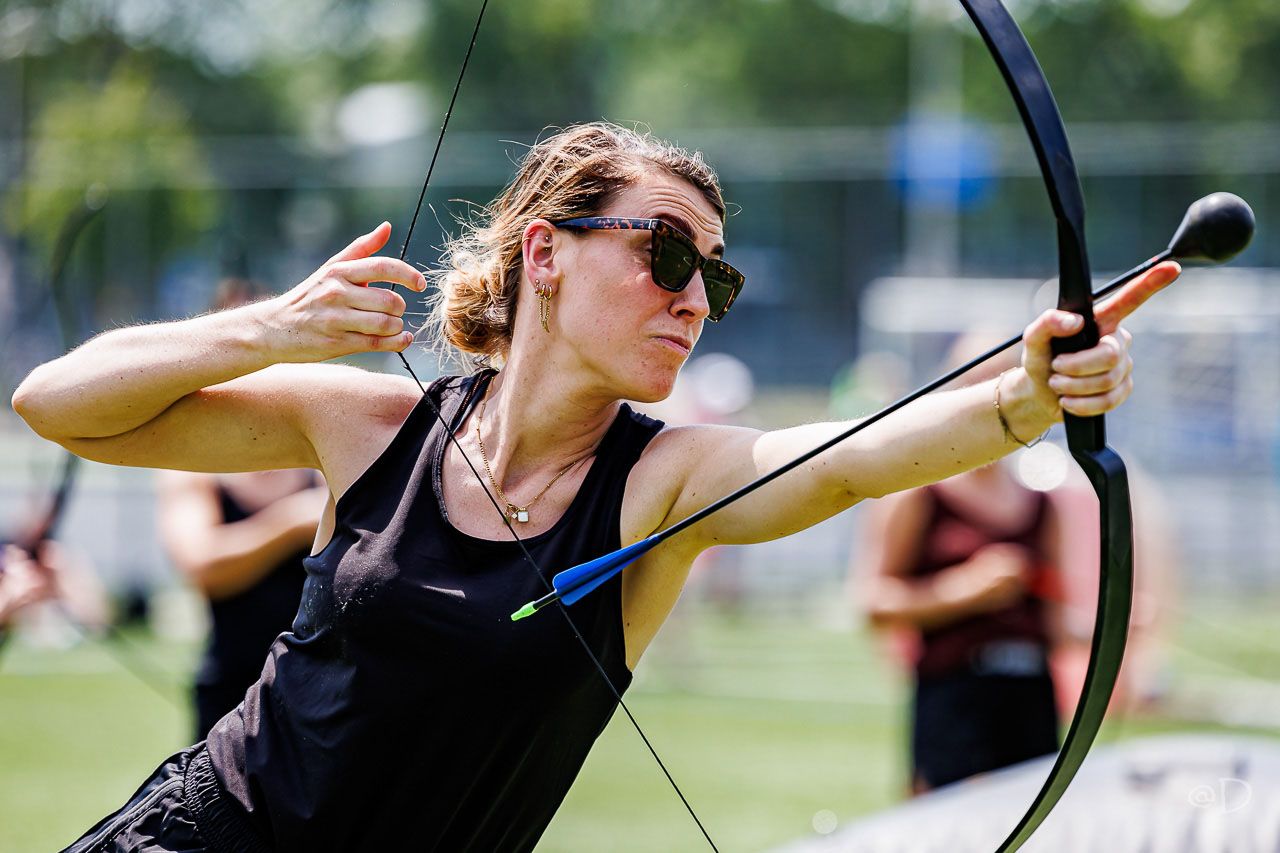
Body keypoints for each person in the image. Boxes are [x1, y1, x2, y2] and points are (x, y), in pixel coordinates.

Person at [11, 122, 1177, 852]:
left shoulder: (663, 484)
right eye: (663, 252)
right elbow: (58, 403)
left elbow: (851, 456)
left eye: (710, 277)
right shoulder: (369, 421)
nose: (689, 295)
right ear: (544, 253)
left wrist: (1029, 400)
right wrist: (275, 326)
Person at [856, 338, 1065, 794]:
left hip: (1030, 694)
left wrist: (1113, 626)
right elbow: (872, 601)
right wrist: (966, 589)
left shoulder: (1042, 500)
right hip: (953, 692)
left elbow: (1054, 616)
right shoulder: (917, 491)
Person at [156, 279, 328, 741]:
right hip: (227, 696)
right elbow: (203, 563)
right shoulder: (192, 464)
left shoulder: (319, 451)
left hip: (313, 694)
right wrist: (294, 521)